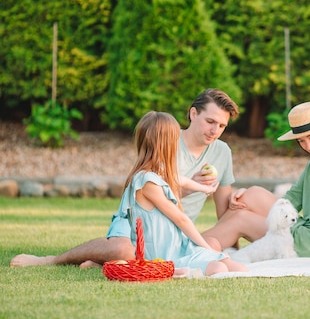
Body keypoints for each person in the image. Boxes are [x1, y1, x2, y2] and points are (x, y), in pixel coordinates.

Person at [11, 88, 239, 268]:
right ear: (193, 114)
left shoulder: (222, 152)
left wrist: (231, 252)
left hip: (172, 234)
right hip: (136, 224)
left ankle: (104, 264)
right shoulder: (166, 141)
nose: (215, 130)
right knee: (125, 250)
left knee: (211, 244)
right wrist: (194, 186)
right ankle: (51, 259)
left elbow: (221, 209)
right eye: (210, 122)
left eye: (222, 126)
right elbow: (157, 187)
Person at [202, 100, 310, 260]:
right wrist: (244, 194)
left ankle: (191, 248)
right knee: (250, 195)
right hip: (303, 230)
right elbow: (290, 202)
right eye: (301, 141)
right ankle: (209, 247)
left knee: (241, 218)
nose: (308, 146)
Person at [119, 111, 245, 275]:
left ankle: (183, 269)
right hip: (164, 256)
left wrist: (205, 188)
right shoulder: (146, 181)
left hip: (180, 247)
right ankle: (171, 271)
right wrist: (207, 249)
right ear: (166, 144)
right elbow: (181, 219)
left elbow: (179, 179)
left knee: (239, 268)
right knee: (219, 267)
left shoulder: (159, 172)